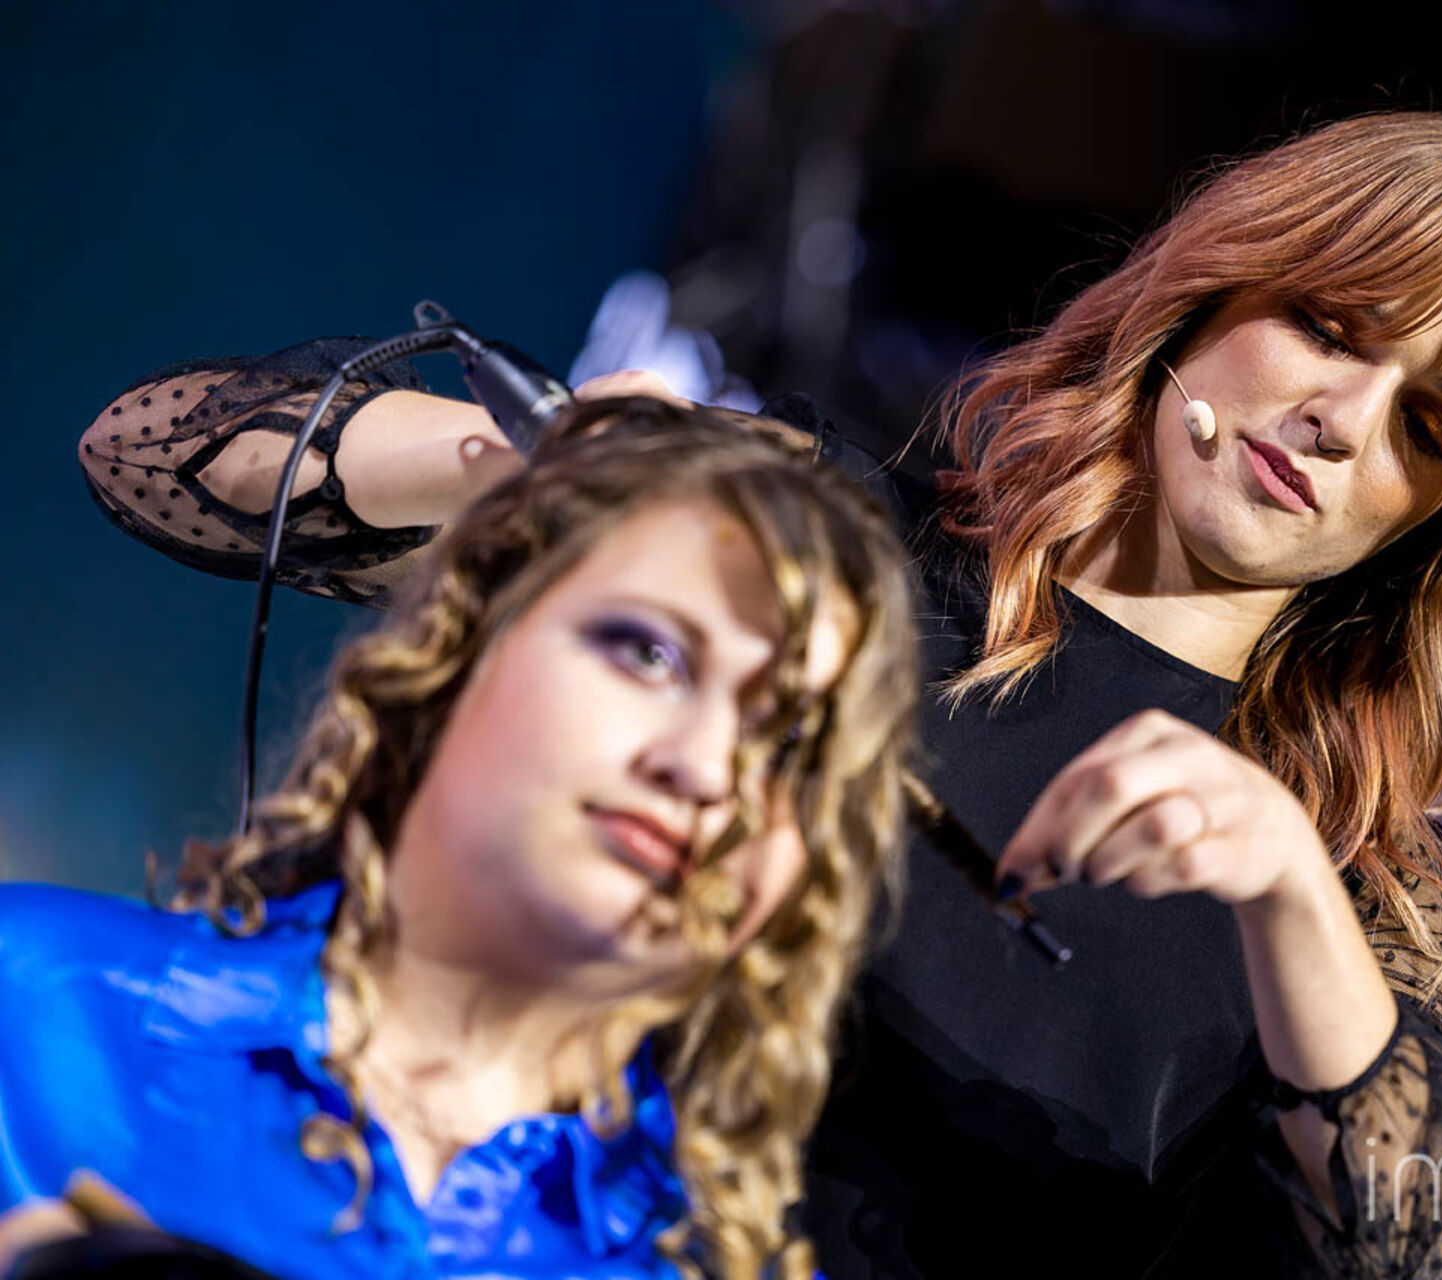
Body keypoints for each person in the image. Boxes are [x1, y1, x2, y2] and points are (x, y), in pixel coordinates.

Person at [74, 109, 1442, 1276]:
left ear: (1439, 517)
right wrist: (522, 466)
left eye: (1427, 427)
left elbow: (1418, 1254)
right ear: (1216, 293)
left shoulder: (1323, 919)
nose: (1342, 422)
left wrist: (1285, 891)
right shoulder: (816, 541)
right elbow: (159, 461)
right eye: (1331, 330)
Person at [9, 404, 921, 1278]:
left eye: (790, 744)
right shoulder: (30, 1010)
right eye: (650, 654)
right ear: (467, 637)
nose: (707, 766)